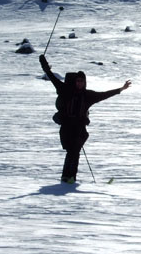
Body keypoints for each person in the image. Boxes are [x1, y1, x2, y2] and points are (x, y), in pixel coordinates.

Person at [40, 54, 131, 183]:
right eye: (78, 81)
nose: (79, 83)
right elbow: (52, 78)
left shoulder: (88, 95)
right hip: (66, 127)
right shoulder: (65, 90)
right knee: (71, 152)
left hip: (79, 129)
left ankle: (70, 177)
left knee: (75, 152)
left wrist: (121, 89)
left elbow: (104, 95)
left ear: (85, 82)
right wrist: (44, 63)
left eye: (82, 81)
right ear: (75, 81)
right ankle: (66, 177)